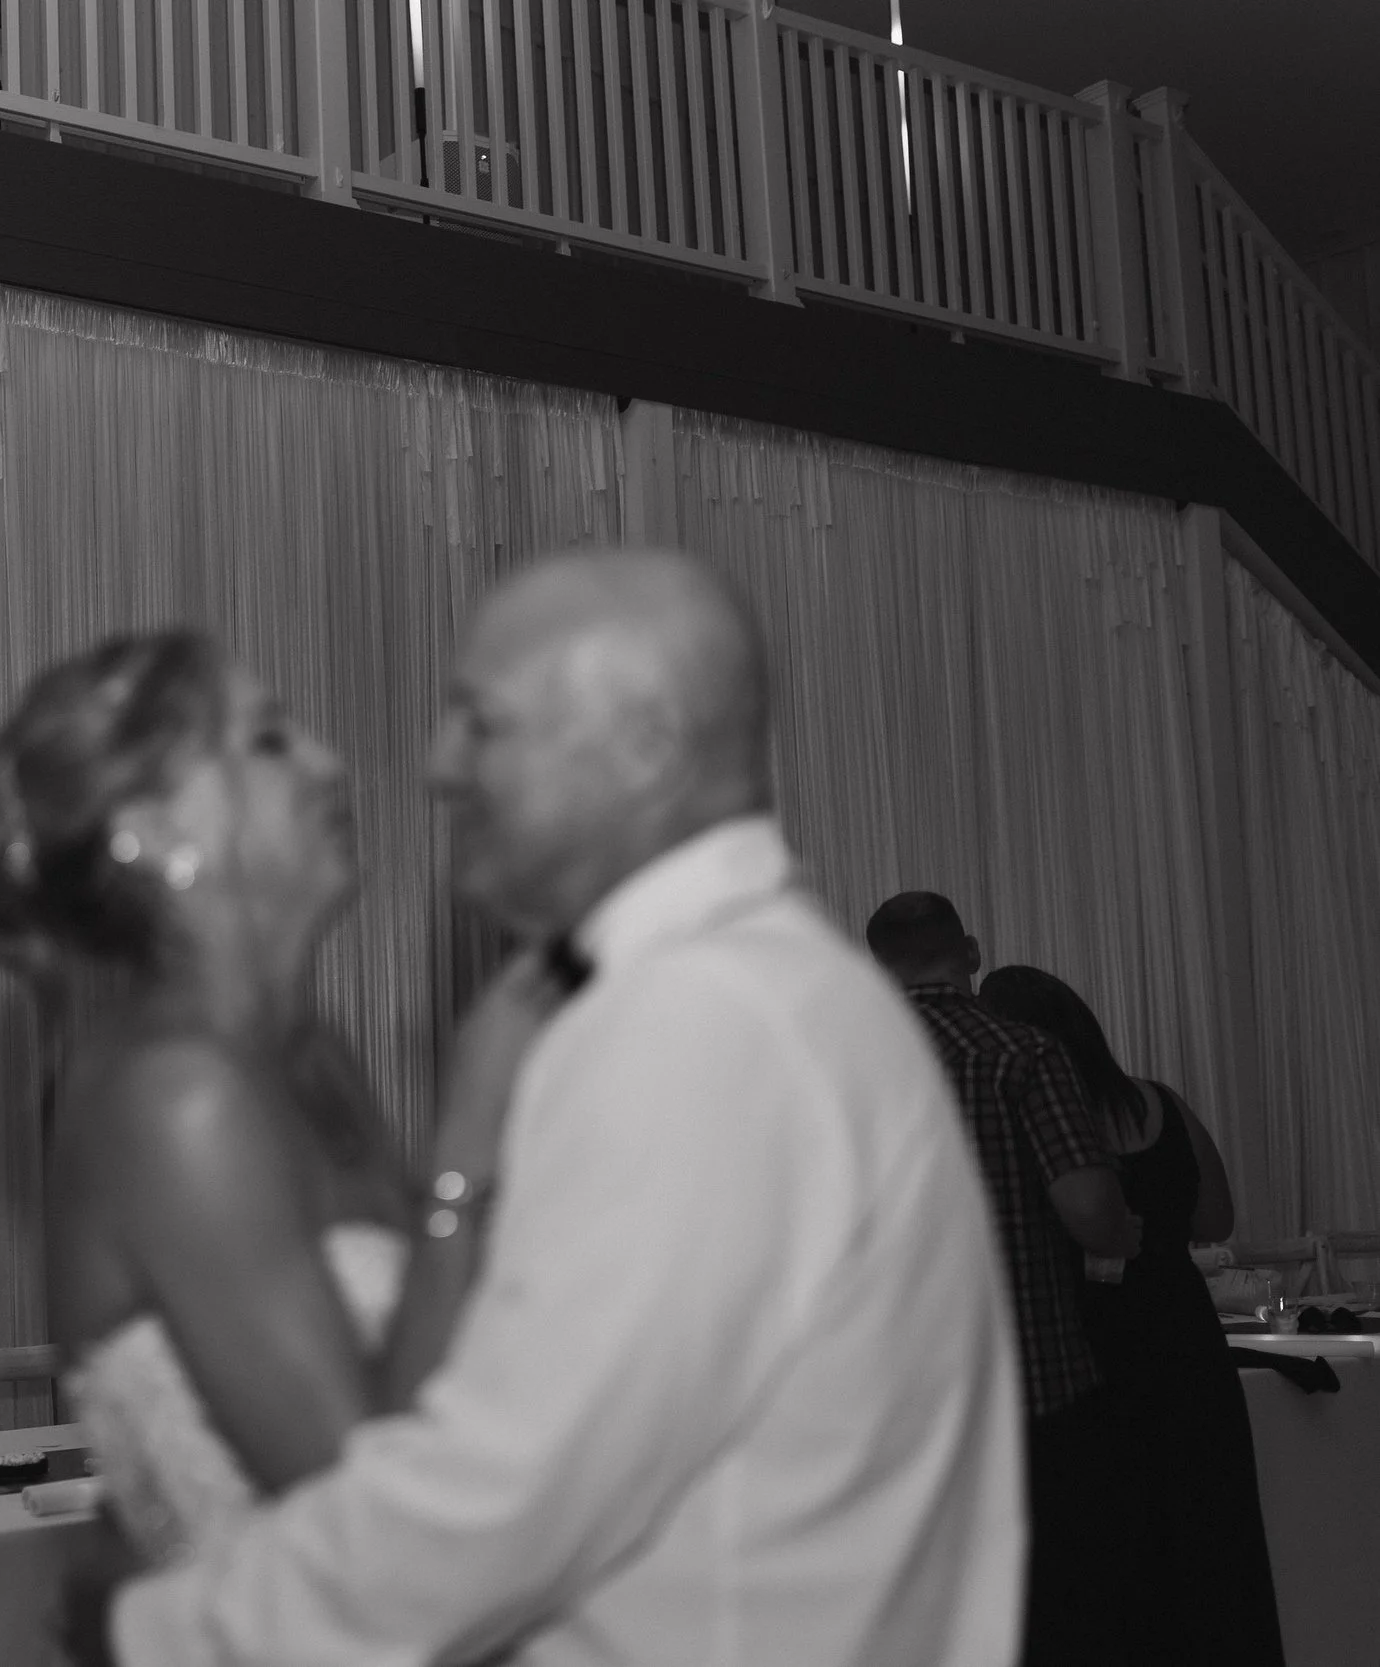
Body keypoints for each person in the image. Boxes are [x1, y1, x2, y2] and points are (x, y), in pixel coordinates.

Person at [108, 547, 1024, 1666]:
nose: (439, 767)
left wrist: (149, 1637)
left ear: (645, 747)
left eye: (481, 722)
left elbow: (500, 1500)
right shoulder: (763, 984)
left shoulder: (696, 1022)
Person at [0, 629, 413, 1565]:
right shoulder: (177, 1098)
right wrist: (472, 1152)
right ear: (157, 831)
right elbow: (368, 1507)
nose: (329, 762)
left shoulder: (314, 1059)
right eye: (268, 740)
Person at [864, 894, 1144, 1667]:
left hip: (893, 1399)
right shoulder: (1022, 1053)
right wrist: (1120, 1233)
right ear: (971, 953)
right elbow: (1087, 1208)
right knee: (1052, 1611)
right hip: (1031, 1383)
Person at [979, 964, 1285, 1667]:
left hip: (1089, 1339)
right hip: (1183, 1332)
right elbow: (1215, 1218)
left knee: (1114, 1550)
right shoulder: (1163, 1103)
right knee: (1211, 1530)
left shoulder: (1045, 1125)